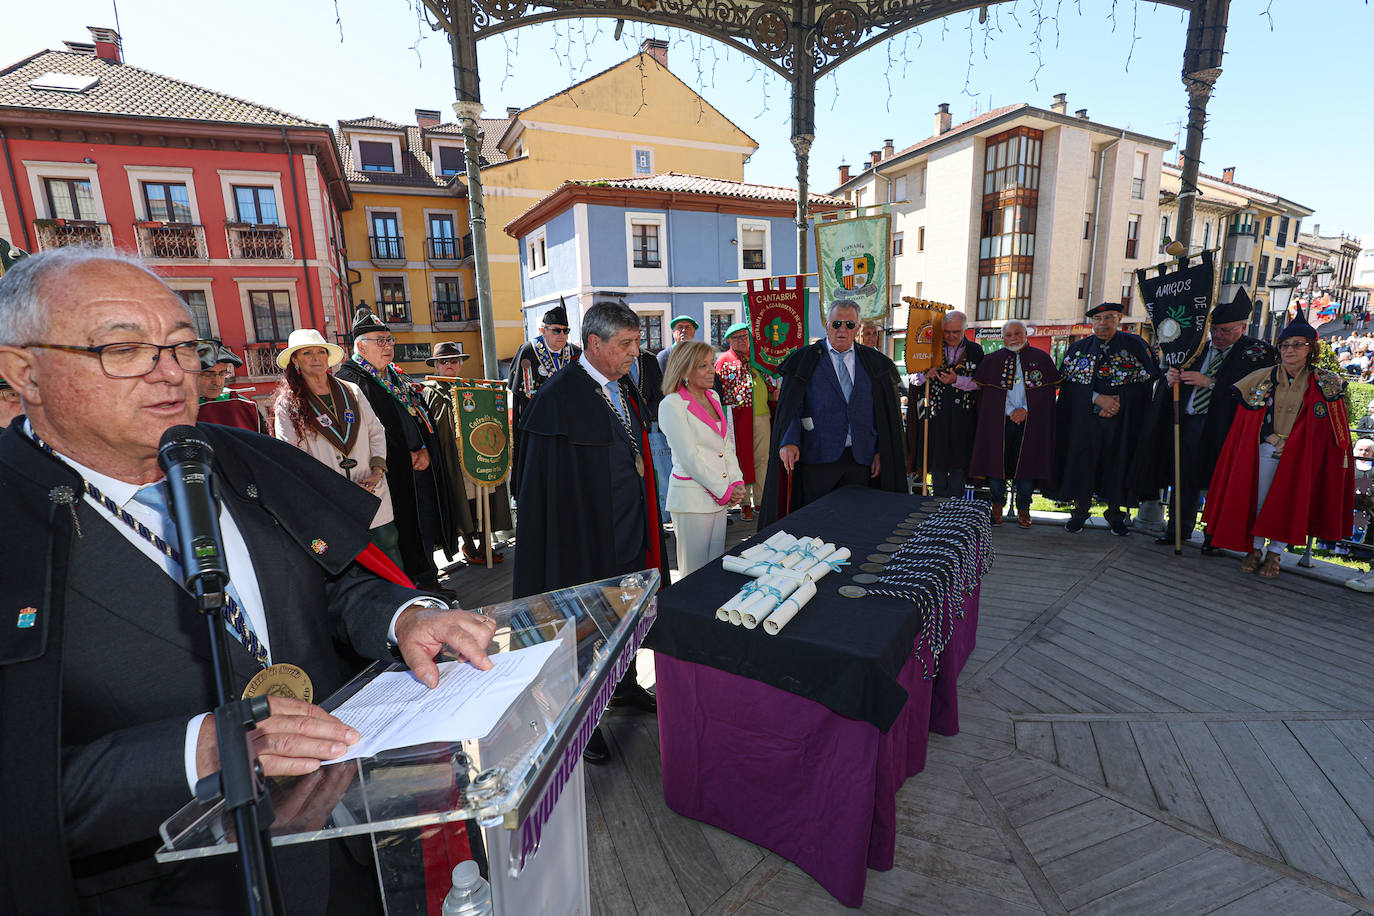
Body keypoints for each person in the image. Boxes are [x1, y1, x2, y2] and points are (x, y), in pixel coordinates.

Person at [0, 247, 497, 914]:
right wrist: (193, 753)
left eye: (183, 345)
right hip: (180, 890)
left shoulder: (248, 462)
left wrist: (404, 617)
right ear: (22, 370)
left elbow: (336, 587)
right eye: (124, 349)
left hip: (353, 848)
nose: (171, 372)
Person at [512, 300, 667, 763]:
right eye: (625, 344)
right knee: (585, 628)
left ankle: (624, 686)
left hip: (628, 530)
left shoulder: (623, 387)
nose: (634, 353)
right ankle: (583, 717)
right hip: (583, 539)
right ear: (594, 343)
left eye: (637, 343)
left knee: (626, 615)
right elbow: (541, 489)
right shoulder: (556, 398)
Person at [1203, 313, 1354, 579]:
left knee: (1289, 504)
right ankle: (1257, 549)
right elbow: (1246, 420)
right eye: (1285, 345)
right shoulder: (1260, 377)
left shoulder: (1327, 383)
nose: (1289, 350)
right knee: (1260, 501)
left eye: (1298, 344)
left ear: (1312, 348)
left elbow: (1332, 430)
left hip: (1302, 455)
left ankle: (1276, 553)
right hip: (1265, 449)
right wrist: (1271, 438)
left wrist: (1296, 444)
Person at [1131, 289, 1278, 550]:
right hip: (1188, 422)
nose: (1218, 336)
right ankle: (1178, 529)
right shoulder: (1194, 349)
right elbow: (1171, 380)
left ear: (1242, 327)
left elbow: (1259, 390)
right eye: (1215, 330)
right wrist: (1170, 380)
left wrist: (1212, 383)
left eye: (1226, 331)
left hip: (1226, 428)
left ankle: (1214, 537)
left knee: (1220, 482)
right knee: (1182, 477)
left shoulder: (1258, 352)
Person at [336, 309, 457, 595]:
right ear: (361, 346)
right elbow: (364, 434)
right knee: (398, 531)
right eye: (380, 340)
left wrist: (426, 448)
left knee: (424, 522)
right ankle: (409, 587)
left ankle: (428, 577)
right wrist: (406, 457)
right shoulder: (349, 381)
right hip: (387, 474)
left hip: (419, 467)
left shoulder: (394, 375)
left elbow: (419, 415)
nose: (389, 346)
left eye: (390, 339)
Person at [270, 327, 403, 571]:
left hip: (370, 487)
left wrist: (377, 470)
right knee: (349, 563)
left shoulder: (351, 390)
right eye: (307, 353)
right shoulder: (288, 404)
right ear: (295, 361)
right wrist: (325, 488)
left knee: (387, 548)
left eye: (320, 351)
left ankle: (407, 605)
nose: (316, 358)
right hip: (330, 498)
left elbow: (376, 431)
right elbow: (289, 456)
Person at [761, 301, 907, 523]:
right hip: (818, 456)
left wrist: (880, 450)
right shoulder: (805, 360)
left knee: (858, 521)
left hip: (861, 459)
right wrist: (788, 441)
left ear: (857, 328)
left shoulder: (875, 363)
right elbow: (792, 406)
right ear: (826, 325)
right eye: (837, 323)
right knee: (818, 523)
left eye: (850, 324)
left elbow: (882, 414)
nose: (843, 330)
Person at [1055, 302, 1161, 535]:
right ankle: (1080, 513)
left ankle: (1116, 515)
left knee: (1118, 463)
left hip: (1123, 421)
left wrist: (1116, 402)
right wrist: (1096, 398)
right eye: (1098, 319)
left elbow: (1147, 383)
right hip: (1086, 421)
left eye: (1109, 318)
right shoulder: (1079, 348)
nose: (1103, 323)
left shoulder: (1136, 346)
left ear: (1119, 319)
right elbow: (1069, 386)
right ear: (1092, 322)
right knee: (1084, 463)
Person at [420, 341, 514, 565]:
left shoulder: (470, 387)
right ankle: (470, 548)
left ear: (460, 364)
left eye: (454, 360)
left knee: (485, 497)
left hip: (477, 453)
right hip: (453, 459)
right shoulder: (429, 391)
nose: (450, 365)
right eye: (444, 361)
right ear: (436, 365)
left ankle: (484, 547)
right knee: (460, 502)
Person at [660, 340, 745, 576]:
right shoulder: (671, 405)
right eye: (703, 366)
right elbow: (690, 459)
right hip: (692, 501)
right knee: (693, 573)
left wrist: (736, 482)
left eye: (712, 364)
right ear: (685, 370)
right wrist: (725, 491)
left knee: (714, 568)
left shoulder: (714, 398)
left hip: (719, 497)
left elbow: (725, 445)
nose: (711, 370)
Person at [969, 320, 1060, 526]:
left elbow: (1046, 395)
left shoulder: (1042, 359)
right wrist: (1011, 411)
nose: (1013, 338)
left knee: (1027, 465)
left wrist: (1026, 410)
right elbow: (988, 397)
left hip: (1031, 421)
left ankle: (1024, 508)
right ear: (1003, 337)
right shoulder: (991, 361)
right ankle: (997, 505)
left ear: (1026, 334)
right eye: (1008, 334)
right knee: (996, 465)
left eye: (1017, 333)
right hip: (999, 421)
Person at [907, 310, 983, 498]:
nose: (950, 336)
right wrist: (925, 375)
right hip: (934, 418)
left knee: (959, 464)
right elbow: (911, 379)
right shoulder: (929, 350)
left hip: (963, 418)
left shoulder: (975, 351)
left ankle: (954, 508)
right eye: (947, 331)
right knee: (936, 463)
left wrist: (957, 380)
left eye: (955, 332)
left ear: (965, 329)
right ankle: (937, 507)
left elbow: (982, 383)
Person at [715, 321, 775, 520]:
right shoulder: (724, 361)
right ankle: (742, 502)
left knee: (762, 459)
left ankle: (760, 499)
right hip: (737, 418)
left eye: (744, 336)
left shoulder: (759, 358)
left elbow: (770, 380)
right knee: (740, 459)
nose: (741, 340)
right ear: (729, 341)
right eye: (735, 338)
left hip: (762, 415)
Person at [196, 342, 265, 433]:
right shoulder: (180, 409)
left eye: (222, 373)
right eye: (208, 375)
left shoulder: (244, 406)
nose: (217, 382)